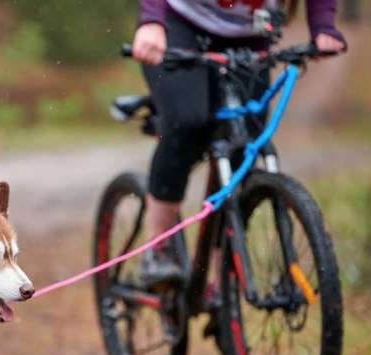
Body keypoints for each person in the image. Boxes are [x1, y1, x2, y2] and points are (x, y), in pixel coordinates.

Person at [132, 0, 346, 295]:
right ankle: (157, 250)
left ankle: (220, 281)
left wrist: (323, 27)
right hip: (179, 21)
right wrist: (152, 21)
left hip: (248, 34)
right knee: (186, 123)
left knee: (244, 146)